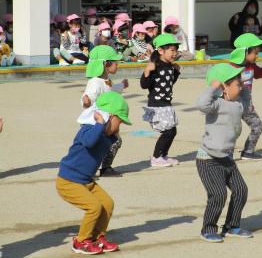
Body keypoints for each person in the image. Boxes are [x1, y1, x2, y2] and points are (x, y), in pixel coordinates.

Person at [56, 91, 130, 254]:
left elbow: (104, 143)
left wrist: (110, 132)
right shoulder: (88, 129)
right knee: (94, 207)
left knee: (107, 204)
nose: (120, 126)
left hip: (85, 180)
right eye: (120, 121)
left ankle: (97, 237)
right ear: (109, 116)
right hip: (68, 181)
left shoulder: (103, 134)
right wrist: (99, 124)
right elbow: (89, 142)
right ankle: (80, 241)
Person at [196, 62, 253, 243]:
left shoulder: (238, 104)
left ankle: (231, 226)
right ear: (224, 87)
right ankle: (208, 228)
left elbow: (246, 97)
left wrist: (242, 85)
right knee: (219, 194)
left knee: (241, 190)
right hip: (208, 159)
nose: (241, 86)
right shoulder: (216, 104)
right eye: (237, 84)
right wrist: (213, 87)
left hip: (227, 158)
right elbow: (201, 104)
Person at [80, 45, 128, 176]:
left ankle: (105, 167)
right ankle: (92, 168)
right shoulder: (95, 82)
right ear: (106, 64)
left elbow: (112, 90)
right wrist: (86, 101)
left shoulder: (106, 80)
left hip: (107, 118)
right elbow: (88, 96)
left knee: (114, 141)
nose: (117, 65)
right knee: (104, 143)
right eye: (115, 63)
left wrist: (122, 85)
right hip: (97, 120)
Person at [140, 33, 181, 167]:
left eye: (176, 50)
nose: (175, 53)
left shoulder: (170, 66)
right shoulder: (155, 65)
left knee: (172, 131)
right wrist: (147, 71)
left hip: (166, 104)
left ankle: (163, 155)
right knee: (167, 132)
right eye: (172, 50)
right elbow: (144, 85)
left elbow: (169, 83)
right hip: (157, 105)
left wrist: (176, 72)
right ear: (161, 51)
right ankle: (156, 157)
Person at [232, 33, 262, 160]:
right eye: (255, 53)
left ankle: (248, 152)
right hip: (233, 104)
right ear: (245, 52)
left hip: (246, 104)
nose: (257, 55)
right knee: (231, 130)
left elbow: (259, 74)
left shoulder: (251, 66)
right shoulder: (233, 67)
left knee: (257, 126)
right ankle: (223, 154)